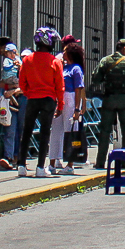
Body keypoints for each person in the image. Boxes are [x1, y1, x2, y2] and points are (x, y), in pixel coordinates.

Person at [15, 27, 64, 178]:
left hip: (32, 99)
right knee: (44, 134)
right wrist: (60, 105)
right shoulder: (55, 62)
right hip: (49, 100)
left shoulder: (27, 60)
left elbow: (22, 83)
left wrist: (30, 93)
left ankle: (21, 166)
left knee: (27, 131)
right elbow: (60, 86)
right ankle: (40, 167)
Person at [91, 39, 125, 170]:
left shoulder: (105, 61)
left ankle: (100, 162)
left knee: (105, 131)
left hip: (109, 98)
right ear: (124, 48)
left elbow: (95, 79)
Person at [49, 43, 87, 175]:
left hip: (70, 98)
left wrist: (77, 108)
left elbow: (78, 89)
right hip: (60, 98)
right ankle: (52, 162)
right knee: (56, 130)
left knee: (70, 130)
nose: (63, 53)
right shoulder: (63, 67)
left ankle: (70, 164)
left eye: (65, 51)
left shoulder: (76, 69)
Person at [0, 40, 20, 169]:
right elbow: (2, 84)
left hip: (22, 102)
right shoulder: (7, 64)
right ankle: (9, 157)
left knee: (19, 131)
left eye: (14, 53)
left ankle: (18, 157)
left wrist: (15, 88)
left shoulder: (21, 65)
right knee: (10, 130)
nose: (12, 55)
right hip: (10, 102)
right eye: (10, 53)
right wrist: (10, 87)